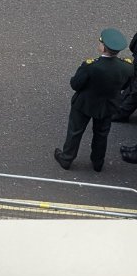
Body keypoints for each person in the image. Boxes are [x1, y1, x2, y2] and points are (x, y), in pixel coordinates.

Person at [53, 29, 134, 173]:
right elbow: (126, 85)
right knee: (101, 134)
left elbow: (75, 84)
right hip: (108, 105)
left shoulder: (91, 66)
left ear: (103, 47)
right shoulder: (127, 67)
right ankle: (98, 162)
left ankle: (67, 158)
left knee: (75, 131)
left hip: (85, 104)